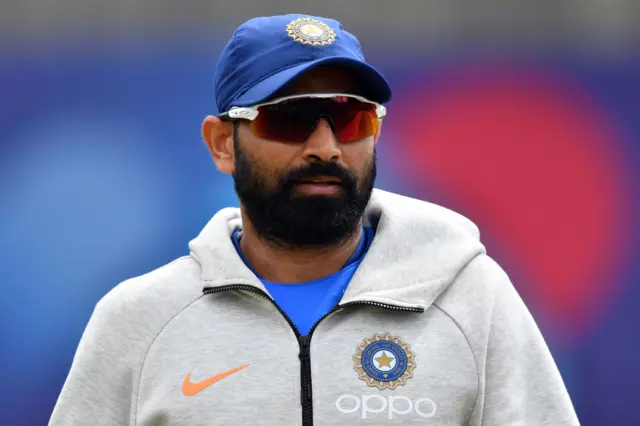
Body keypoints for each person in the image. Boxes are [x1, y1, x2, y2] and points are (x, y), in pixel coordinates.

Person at [49, 13, 579, 426]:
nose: (325, 147)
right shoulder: (138, 319)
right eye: (291, 118)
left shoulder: (472, 299)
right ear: (221, 144)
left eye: (352, 118)